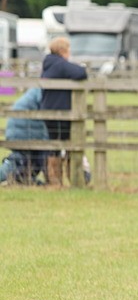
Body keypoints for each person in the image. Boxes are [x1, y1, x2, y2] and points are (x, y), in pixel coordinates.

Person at [40, 37, 87, 187]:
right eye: (68, 49)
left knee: (55, 145)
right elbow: (80, 73)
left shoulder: (48, 64)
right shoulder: (60, 65)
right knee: (68, 145)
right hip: (61, 112)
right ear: (62, 51)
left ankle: (55, 180)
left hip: (49, 111)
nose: (69, 53)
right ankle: (73, 178)